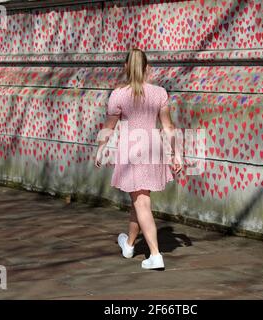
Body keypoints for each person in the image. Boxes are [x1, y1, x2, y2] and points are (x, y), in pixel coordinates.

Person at [94, 48, 182, 270]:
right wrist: (176, 153)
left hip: (131, 151)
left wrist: (100, 149)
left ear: (125, 67)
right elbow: (168, 127)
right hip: (153, 148)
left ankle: (155, 254)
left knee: (141, 201)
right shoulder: (159, 93)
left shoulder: (119, 95)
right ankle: (130, 245)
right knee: (138, 199)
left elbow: (109, 126)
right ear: (147, 68)